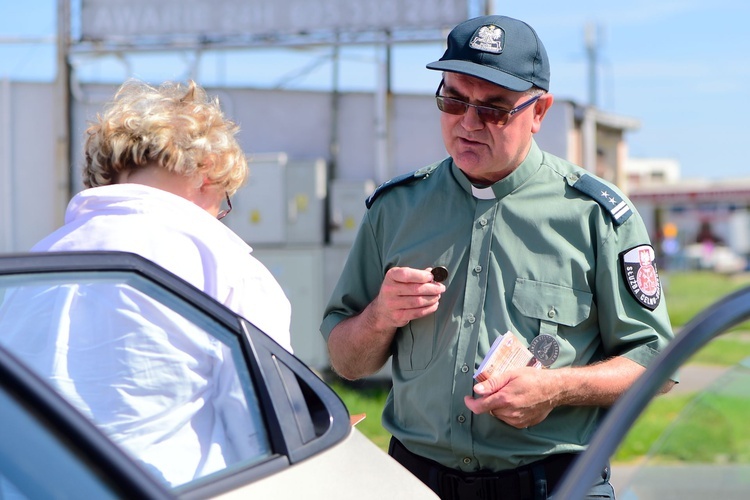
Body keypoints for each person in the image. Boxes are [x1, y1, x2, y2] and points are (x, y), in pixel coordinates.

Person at [320, 15, 674, 500]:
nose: (467, 123)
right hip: (418, 480)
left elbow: (654, 360)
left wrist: (557, 389)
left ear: (539, 111)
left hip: (555, 483)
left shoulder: (595, 216)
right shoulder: (395, 209)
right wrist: (380, 317)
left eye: (495, 109)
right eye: (453, 99)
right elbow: (346, 361)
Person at [0, 79, 292, 486]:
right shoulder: (225, 265)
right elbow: (263, 429)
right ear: (207, 173)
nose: (219, 214)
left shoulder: (37, 260)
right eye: (224, 201)